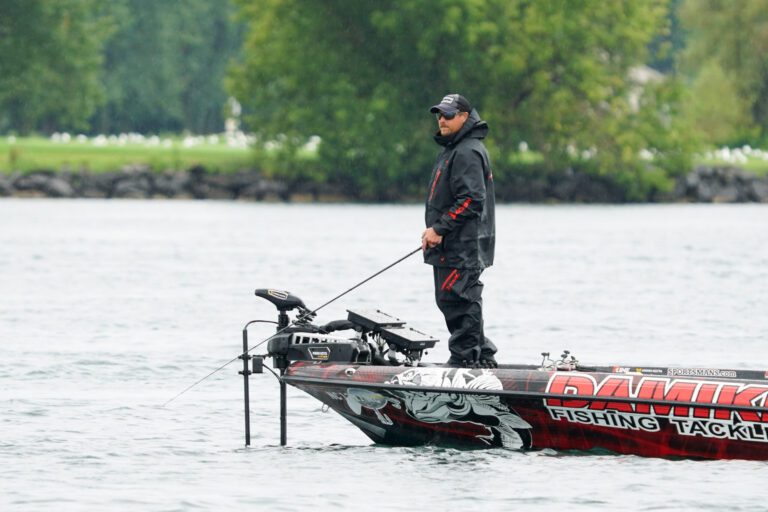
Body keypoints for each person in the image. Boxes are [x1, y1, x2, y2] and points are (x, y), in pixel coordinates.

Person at [421, 93, 497, 368]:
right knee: (451, 298)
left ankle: (465, 359)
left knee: (458, 298)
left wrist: (439, 228)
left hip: (463, 245)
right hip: (451, 244)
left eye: (448, 115)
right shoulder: (455, 147)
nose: (442, 119)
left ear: (465, 116)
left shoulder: (466, 151)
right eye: (439, 114)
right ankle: (482, 355)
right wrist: (433, 232)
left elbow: (471, 200)